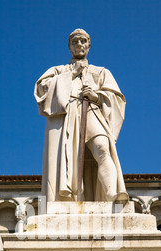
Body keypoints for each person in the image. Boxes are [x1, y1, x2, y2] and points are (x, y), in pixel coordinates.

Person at [34, 28, 128, 203]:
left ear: (89, 46)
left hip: (92, 112)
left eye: (83, 41)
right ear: (69, 46)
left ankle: (112, 194)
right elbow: (41, 90)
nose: (79, 44)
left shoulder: (101, 72)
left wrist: (97, 96)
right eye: (75, 41)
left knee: (102, 147)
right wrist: (71, 75)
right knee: (70, 158)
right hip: (67, 117)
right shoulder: (58, 70)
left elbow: (117, 99)